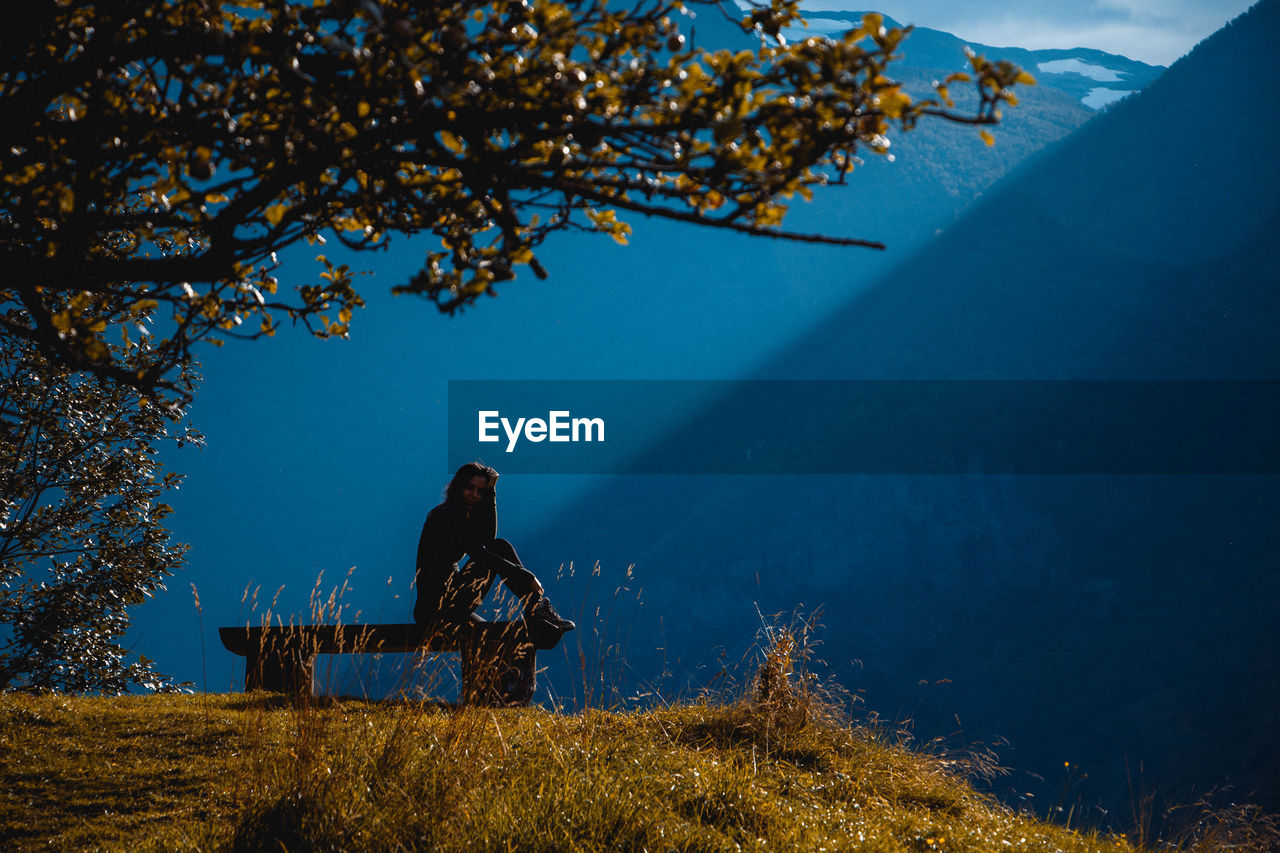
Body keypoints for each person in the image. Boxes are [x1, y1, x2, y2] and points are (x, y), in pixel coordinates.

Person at [414, 462, 575, 634]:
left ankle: (535, 607)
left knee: (489, 636)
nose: (475, 495)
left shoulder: (459, 514)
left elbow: (487, 540)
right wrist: (525, 576)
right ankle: (535, 607)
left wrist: (491, 493)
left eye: (480, 491)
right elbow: (483, 554)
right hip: (437, 611)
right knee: (500, 548)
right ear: (458, 487)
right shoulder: (446, 516)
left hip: (443, 606)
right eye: (470, 488)